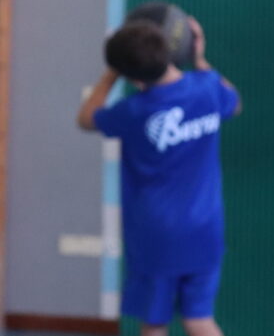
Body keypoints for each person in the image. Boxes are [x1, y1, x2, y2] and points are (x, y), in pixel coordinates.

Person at [77, 17, 241, 336]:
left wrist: (110, 75)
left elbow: (85, 119)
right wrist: (199, 59)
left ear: (131, 76)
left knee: (154, 323)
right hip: (205, 229)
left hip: (156, 235)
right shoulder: (208, 88)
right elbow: (234, 103)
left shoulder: (133, 111)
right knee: (199, 319)